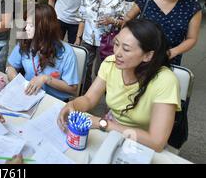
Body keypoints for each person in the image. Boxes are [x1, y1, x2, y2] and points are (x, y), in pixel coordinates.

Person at [58, 19, 181, 152]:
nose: (117, 53)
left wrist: (103, 124)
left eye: (126, 49)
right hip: (111, 128)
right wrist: (73, 105)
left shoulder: (165, 81)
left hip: (141, 141)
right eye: (116, 44)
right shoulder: (111, 63)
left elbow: (156, 142)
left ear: (148, 56)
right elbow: (89, 99)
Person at [124, 0, 202, 65]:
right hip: (139, 56)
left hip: (170, 59)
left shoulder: (192, 6)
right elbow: (128, 19)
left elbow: (191, 38)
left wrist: (170, 53)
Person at [6, 4, 79, 102]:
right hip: (29, 95)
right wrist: (16, 80)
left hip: (54, 101)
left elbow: (73, 89)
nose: (26, 28)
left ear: (45, 29)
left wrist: (46, 79)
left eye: (30, 25)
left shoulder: (66, 52)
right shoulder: (26, 42)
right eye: (26, 23)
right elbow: (11, 67)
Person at [75, 0, 125, 93]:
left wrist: (111, 20)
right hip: (87, 39)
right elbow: (82, 18)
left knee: (103, 71)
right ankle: (85, 94)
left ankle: (105, 96)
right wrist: (78, 38)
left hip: (107, 41)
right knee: (84, 68)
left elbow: (124, 22)